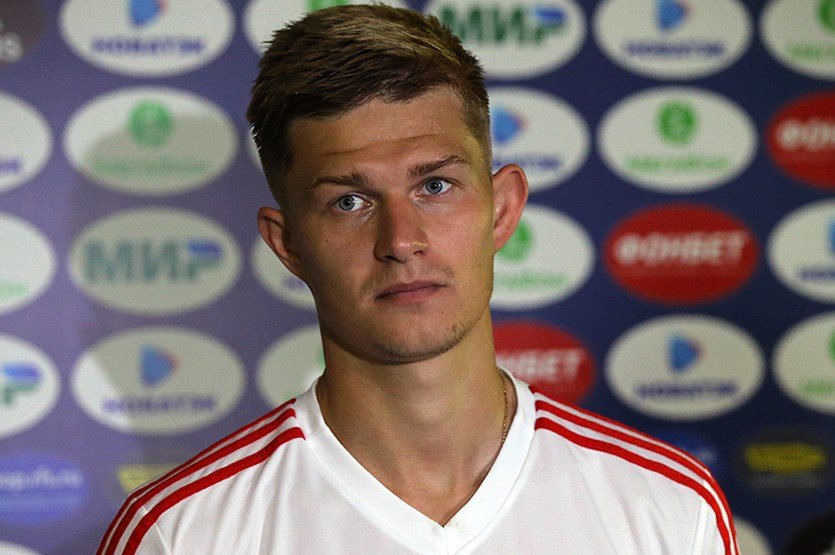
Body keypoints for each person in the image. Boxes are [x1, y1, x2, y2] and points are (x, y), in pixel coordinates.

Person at [97, 5, 737, 554]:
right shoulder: (181, 533)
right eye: (349, 201)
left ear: (501, 210)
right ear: (288, 244)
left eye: (435, 185)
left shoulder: (668, 506)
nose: (401, 240)